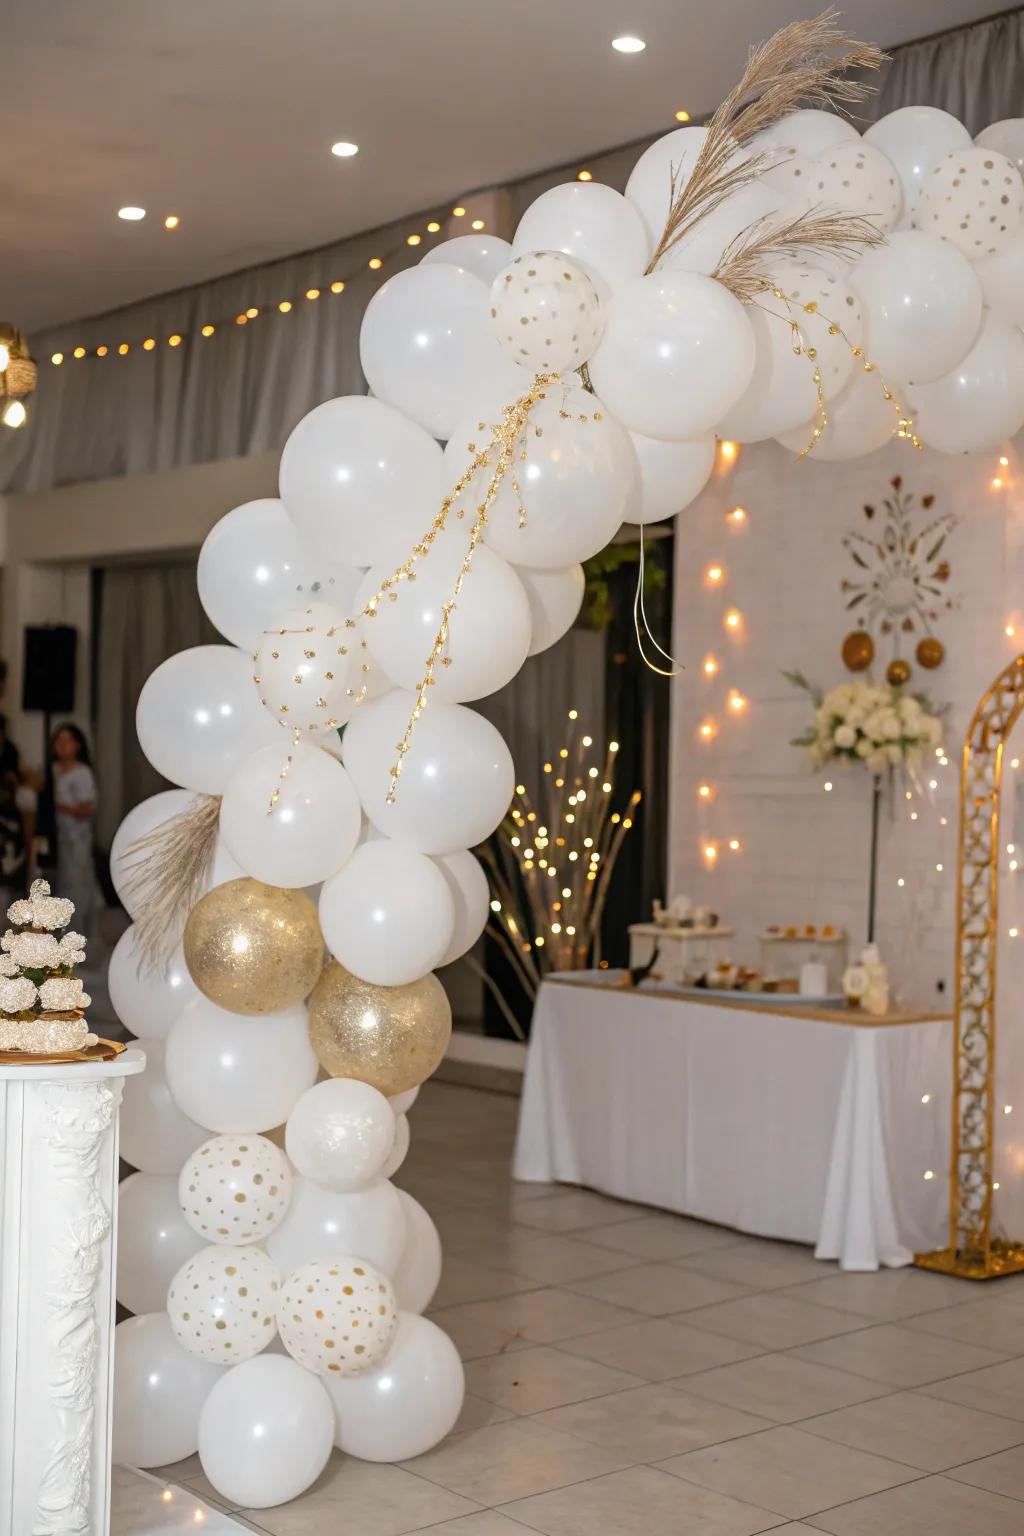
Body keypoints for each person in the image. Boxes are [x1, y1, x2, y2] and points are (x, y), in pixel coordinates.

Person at [50, 722, 101, 940]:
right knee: (63, 883)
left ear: (77, 745)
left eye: (67, 741)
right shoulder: (53, 769)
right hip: (61, 838)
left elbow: (86, 809)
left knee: (77, 884)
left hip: (77, 839)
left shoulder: (82, 773)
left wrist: (60, 807)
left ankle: (77, 934)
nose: (62, 746)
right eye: (58, 741)